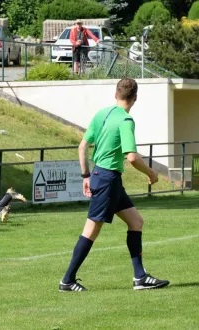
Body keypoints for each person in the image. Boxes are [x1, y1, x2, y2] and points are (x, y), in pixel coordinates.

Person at [59, 78, 170, 292]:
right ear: (135, 98)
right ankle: (67, 280)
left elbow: (82, 147)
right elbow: (132, 157)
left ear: (115, 94)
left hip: (106, 178)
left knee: (136, 221)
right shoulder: (126, 120)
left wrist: (86, 175)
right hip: (108, 180)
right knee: (91, 230)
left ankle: (140, 277)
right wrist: (151, 172)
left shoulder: (102, 114)